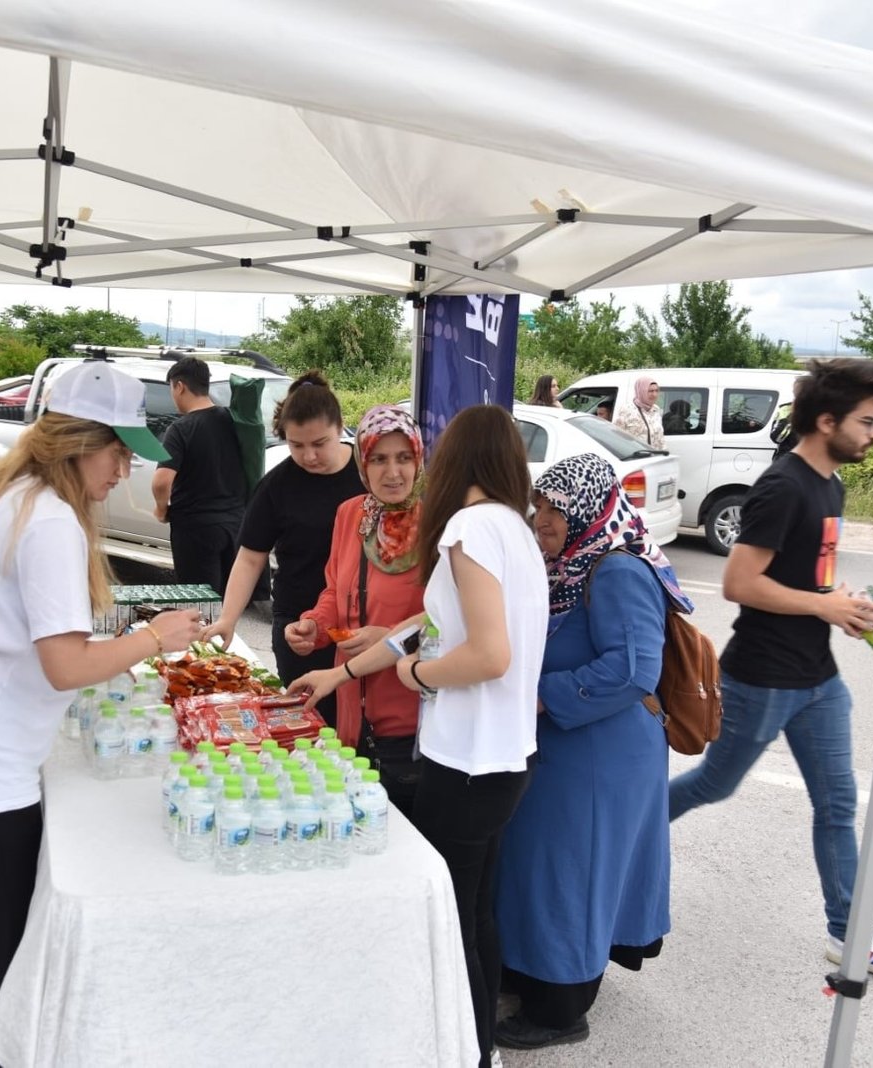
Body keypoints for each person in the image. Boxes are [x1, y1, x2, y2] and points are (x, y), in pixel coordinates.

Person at [0, 363, 202, 1068]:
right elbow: (65, 666)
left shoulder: (14, 492)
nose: (123, 471)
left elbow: (43, 638)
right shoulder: (51, 521)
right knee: (4, 922)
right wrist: (155, 638)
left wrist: (126, 636)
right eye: (118, 452)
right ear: (78, 442)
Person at [292, 404, 546, 1068]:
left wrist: (416, 675)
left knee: (449, 922)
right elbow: (424, 628)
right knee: (473, 914)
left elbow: (486, 655)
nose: (407, 468)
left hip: (464, 763)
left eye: (419, 455)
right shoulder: (513, 529)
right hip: (503, 759)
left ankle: (459, 1050)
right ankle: (478, 1046)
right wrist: (339, 673)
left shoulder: (467, 528)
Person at [668, 358, 873, 983]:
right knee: (713, 785)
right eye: (867, 422)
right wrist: (825, 604)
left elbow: (805, 576)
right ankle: (618, 831)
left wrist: (846, 604)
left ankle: (851, 934)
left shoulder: (831, 483)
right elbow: (738, 582)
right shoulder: (783, 485)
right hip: (760, 678)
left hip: (818, 678)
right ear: (826, 420)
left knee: (837, 804)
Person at [494, 453, 682, 1050]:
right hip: (572, 753)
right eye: (540, 506)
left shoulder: (619, 569)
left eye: (555, 507)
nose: (542, 518)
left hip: (602, 758)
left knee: (574, 874)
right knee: (546, 870)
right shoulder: (570, 565)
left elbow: (633, 671)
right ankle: (534, 973)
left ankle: (560, 1010)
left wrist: (541, 697)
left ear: (587, 508)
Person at [278, 406, 427, 815]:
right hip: (349, 709)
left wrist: (387, 636)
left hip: (408, 715)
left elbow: (445, 621)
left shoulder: (438, 523)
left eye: (403, 457)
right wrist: (315, 625)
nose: (392, 472)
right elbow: (335, 590)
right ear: (363, 462)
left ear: (419, 458)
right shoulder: (352, 514)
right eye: (378, 459)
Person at [201, 371, 364, 699]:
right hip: (298, 625)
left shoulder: (368, 473)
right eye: (296, 445)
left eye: (320, 444)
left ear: (340, 427)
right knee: (306, 724)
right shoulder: (277, 485)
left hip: (360, 623)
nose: (309, 456)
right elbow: (249, 557)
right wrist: (228, 618)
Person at [152, 356, 248, 594]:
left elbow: (161, 481)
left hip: (196, 530)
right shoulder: (234, 420)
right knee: (225, 603)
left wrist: (161, 509)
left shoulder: (181, 428)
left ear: (179, 386)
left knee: (199, 605)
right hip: (234, 525)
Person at [613, 376, 664, 448]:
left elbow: (660, 439)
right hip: (634, 456)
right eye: (650, 391)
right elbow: (616, 436)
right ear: (641, 391)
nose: (654, 395)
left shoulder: (656, 410)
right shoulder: (627, 410)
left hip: (654, 456)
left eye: (656, 391)